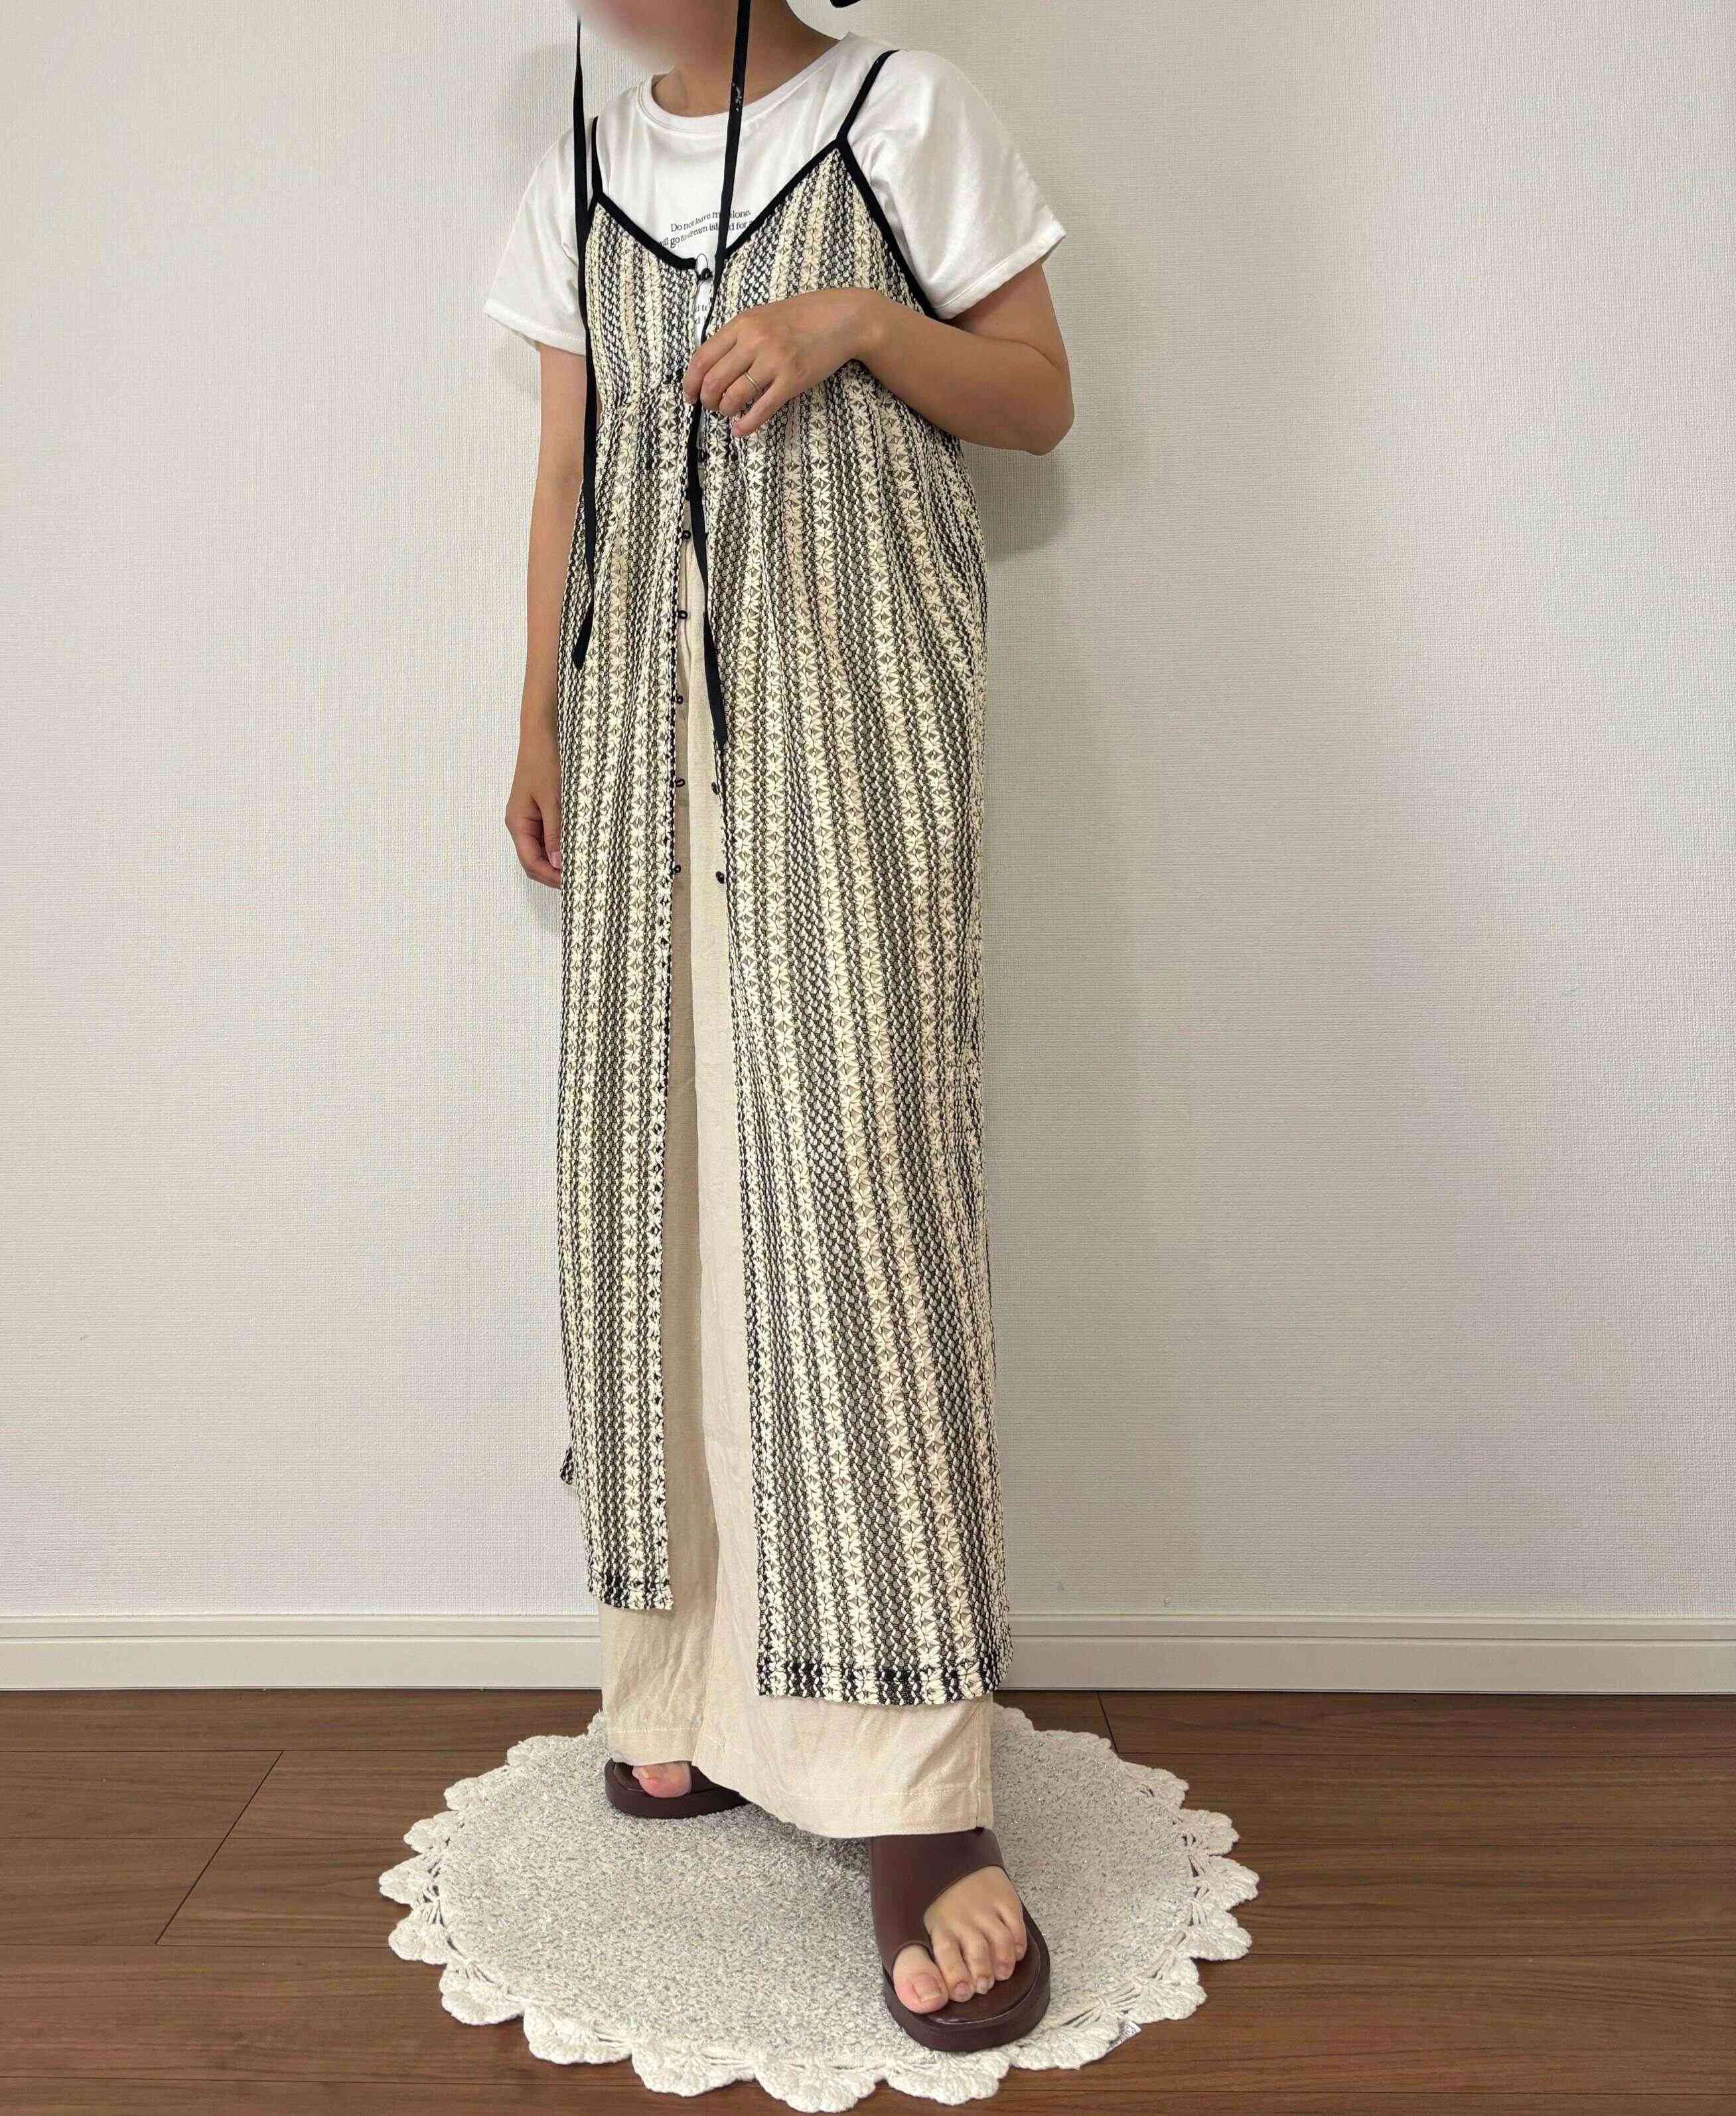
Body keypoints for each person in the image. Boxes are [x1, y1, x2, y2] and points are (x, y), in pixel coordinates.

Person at [487, 0, 1072, 2054]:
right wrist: (537, 714)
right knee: (653, 1190)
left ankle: (912, 1785)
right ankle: (688, 1686)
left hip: (849, 715)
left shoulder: (906, 114)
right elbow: (565, 472)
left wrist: (856, 326)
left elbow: (1040, 399)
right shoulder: (572, 163)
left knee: (852, 1199)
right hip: (642, 728)